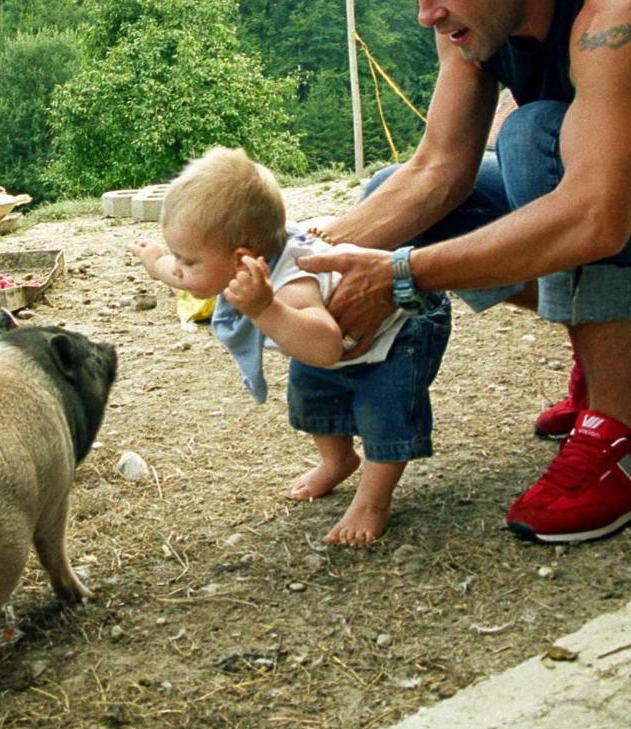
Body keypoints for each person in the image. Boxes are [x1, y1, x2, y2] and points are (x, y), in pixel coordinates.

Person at [297, 0, 631, 544]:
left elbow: (599, 215)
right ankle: (605, 369)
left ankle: (618, 431)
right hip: (608, 217)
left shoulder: (611, 10)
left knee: (534, 138)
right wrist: (302, 259)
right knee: (390, 194)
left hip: (611, 208)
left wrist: (400, 277)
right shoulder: (473, 24)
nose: (426, 14)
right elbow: (436, 173)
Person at [129, 147, 450, 546]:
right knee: (312, 400)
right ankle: (338, 461)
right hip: (326, 344)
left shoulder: (293, 281)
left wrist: (265, 308)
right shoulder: (236, 267)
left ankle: (373, 501)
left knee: (383, 414)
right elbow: (184, 277)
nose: (180, 267)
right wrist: (154, 259)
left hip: (396, 337)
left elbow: (326, 348)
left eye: (187, 259)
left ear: (242, 258)